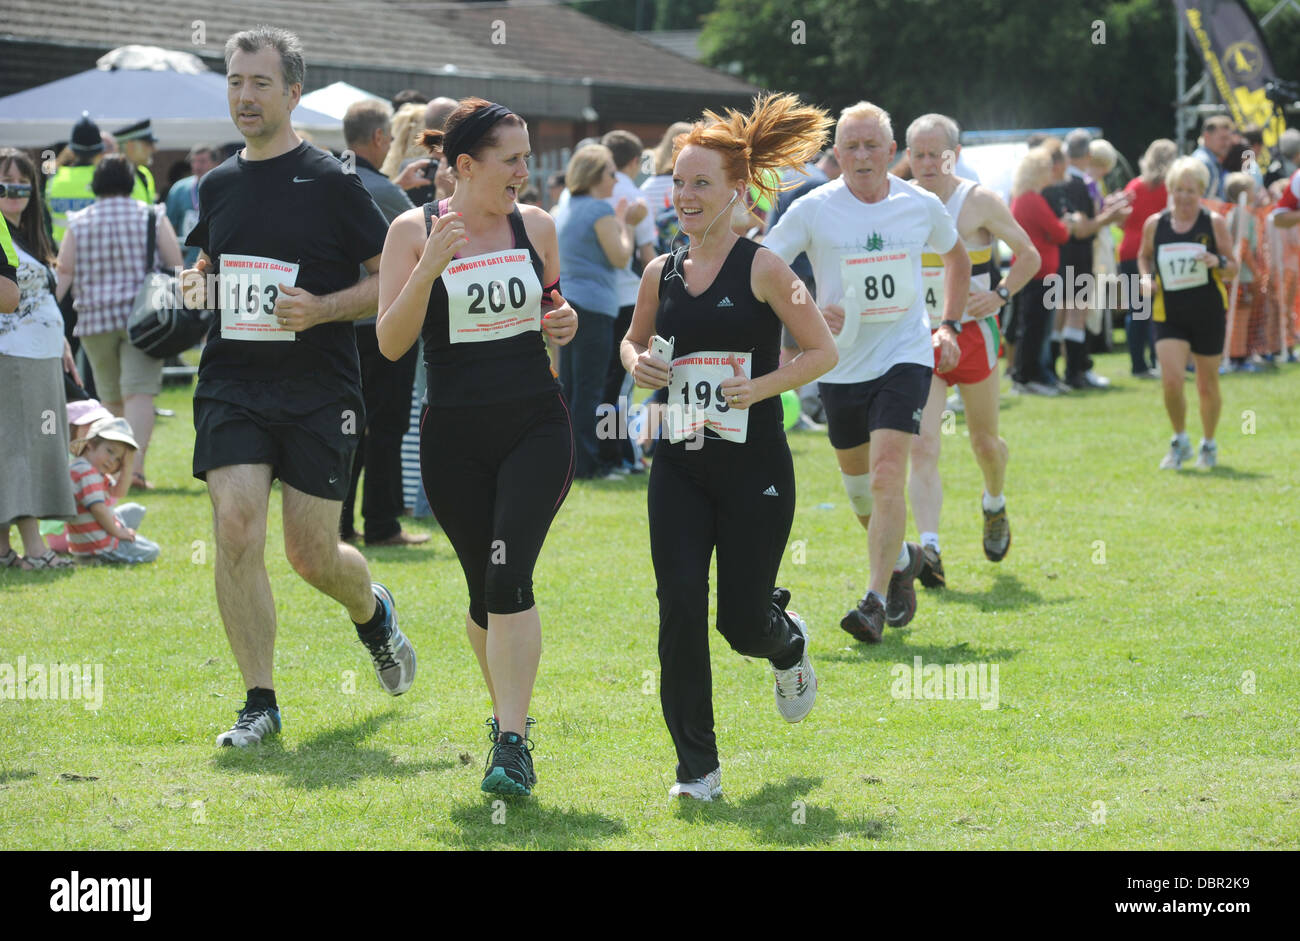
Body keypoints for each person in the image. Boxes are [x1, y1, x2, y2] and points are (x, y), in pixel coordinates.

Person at [180, 25, 417, 748]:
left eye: (259, 83)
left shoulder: (335, 181)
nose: (244, 96)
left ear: (292, 92)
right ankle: (260, 700)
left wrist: (321, 308)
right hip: (233, 383)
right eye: (234, 82)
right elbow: (202, 264)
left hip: (318, 389)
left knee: (311, 554)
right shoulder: (215, 184)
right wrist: (194, 284)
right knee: (236, 525)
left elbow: (387, 280)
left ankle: (371, 611)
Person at [622, 92, 837, 800]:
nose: (684, 196)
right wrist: (636, 363)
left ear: (735, 191)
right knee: (679, 603)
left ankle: (788, 640)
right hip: (679, 463)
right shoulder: (661, 272)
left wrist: (763, 385)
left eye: (700, 184)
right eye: (678, 182)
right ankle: (697, 768)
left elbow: (821, 350)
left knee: (740, 623)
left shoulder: (766, 267)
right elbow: (634, 339)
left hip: (754, 468)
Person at [376, 97, 579, 797]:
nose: (526, 171)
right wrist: (429, 265)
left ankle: (514, 743)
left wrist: (563, 320)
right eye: (513, 159)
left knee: (507, 577)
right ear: (466, 166)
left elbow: (552, 306)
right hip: (453, 437)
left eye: (526, 157)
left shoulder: (537, 224)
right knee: (481, 593)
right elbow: (390, 342)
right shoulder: (412, 230)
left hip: (534, 427)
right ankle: (506, 722)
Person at [764, 100, 969, 646]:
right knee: (860, 495)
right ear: (836, 155)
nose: (860, 156)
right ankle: (905, 560)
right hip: (838, 362)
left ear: (891, 152)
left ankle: (874, 599)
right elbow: (766, 266)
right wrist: (807, 305)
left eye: (870, 145)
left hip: (905, 354)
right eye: (849, 146)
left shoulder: (918, 204)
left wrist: (948, 324)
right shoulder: (814, 208)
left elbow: (958, 257)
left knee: (886, 476)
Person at [906, 114, 1040, 587]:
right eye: (917, 154)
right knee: (922, 445)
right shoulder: (898, 202)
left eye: (934, 154)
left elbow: (1030, 255)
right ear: (907, 157)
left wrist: (1000, 294)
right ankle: (930, 548)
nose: (925, 163)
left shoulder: (978, 201)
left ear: (953, 155)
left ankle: (994, 502)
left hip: (974, 337)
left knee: (985, 444)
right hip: (919, 341)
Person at [54, 154, 182, 490]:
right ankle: (134, 472)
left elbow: (64, 270)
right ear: (131, 182)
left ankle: (110, 472)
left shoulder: (78, 220)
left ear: (96, 184)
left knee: (110, 399)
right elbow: (176, 262)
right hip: (145, 321)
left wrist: (47, 309)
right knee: (139, 395)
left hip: (94, 320)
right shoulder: (152, 215)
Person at [337, 99, 428, 547]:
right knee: (387, 426)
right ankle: (383, 524)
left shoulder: (335, 179)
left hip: (340, 323)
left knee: (349, 425)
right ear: (377, 138)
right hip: (386, 322)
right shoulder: (386, 192)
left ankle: (339, 524)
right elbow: (426, 239)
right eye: (389, 138)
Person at [1, 149, 79, 570]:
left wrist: (62, 340)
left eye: (21, 185)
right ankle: (34, 550)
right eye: (3, 184)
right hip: (11, 355)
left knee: (26, 446)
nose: (13, 193)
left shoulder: (28, 233)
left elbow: (42, 295)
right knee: (20, 448)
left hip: (41, 353)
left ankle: (4, 549)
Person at [1138, 156, 1237, 470]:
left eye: (1190, 191)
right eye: (1178, 190)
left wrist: (1216, 263)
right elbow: (1144, 256)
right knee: (1171, 381)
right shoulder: (1156, 224)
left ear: (1201, 192)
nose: (1183, 197)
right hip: (1169, 312)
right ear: (1170, 190)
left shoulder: (1214, 223)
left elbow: (1233, 267)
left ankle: (1208, 444)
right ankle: (1180, 440)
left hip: (1207, 311)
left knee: (1206, 384)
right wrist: (1143, 277)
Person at [556, 144, 633, 479]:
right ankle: (588, 465)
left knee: (571, 388)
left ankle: (569, 460)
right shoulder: (601, 210)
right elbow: (621, 258)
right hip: (594, 306)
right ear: (596, 175)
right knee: (591, 389)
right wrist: (626, 223)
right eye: (611, 173)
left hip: (568, 303)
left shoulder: (568, 206)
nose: (616, 180)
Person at [598, 130, 654, 473]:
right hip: (626, 298)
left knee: (597, 382)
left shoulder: (585, 192)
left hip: (591, 301)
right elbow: (647, 257)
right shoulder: (633, 196)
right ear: (634, 161)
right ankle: (620, 456)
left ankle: (599, 454)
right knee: (620, 385)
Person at [1009, 147, 1077, 395]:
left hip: (1035, 272)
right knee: (1035, 329)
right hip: (1038, 273)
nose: (1052, 173)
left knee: (1032, 327)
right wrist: (1068, 223)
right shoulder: (1031, 199)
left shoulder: (1023, 197)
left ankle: (1029, 375)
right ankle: (1029, 377)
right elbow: (1059, 233)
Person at [66, 416, 159, 564]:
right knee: (153, 551)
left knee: (134, 510)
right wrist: (118, 532)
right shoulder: (86, 472)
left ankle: (117, 540)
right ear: (90, 444)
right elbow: (98, 509)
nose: (112, 461)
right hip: (99, 546)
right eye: (110, 451)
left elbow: (118, 493)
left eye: (118, 459)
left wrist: (127, 466)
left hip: (98, 535)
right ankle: (96, 558)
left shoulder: (90, 470)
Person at [1120, 139, 1176, 378]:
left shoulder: (1133, 185)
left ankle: (1138, 365)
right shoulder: (1171, 189)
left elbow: (1122, 220)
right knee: (1159, 310)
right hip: (1156, 252)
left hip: (1128, 251)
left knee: (1137, 311)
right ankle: (1157, 360)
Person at [45, 112, 103, 246]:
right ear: (99, 151)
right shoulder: (104, 177)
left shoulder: (54, 179)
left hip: (61, 255)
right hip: (96, 253)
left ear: (72, 150)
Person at [166, 145, 223, 267]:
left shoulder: (225, 187)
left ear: (216, 163)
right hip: (187, 261)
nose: (197, 166)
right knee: (190, 286)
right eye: (193, 161)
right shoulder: (179, 189)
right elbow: (169, 225)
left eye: (202, 161)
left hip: (218, 261)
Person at [114, 120, 160, 204]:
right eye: (148, 144)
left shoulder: (145, 173)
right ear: (130, 146)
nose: (154, 149)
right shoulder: (111, 176)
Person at [1192, 115, 1234, 203]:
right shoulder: (1204, 163)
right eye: (1223, 138)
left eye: (1228, 139)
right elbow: (1199, 203)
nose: (1227, 144)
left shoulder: (1210, 161)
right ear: (1207, 137)